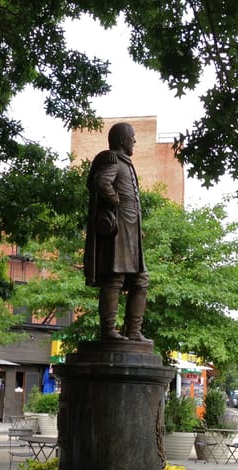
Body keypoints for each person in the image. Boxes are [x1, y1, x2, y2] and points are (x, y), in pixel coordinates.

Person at [83, 122, 150, 342]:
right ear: (122, 139)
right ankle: (108, 331)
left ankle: (133, 331)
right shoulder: (111, 159)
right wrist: (117, 203)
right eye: (132, 137)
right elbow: (102, 183)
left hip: (131, 230)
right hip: (118, 229)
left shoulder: (127, 164)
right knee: (114, 277)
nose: (135, 141)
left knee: (141, 279)